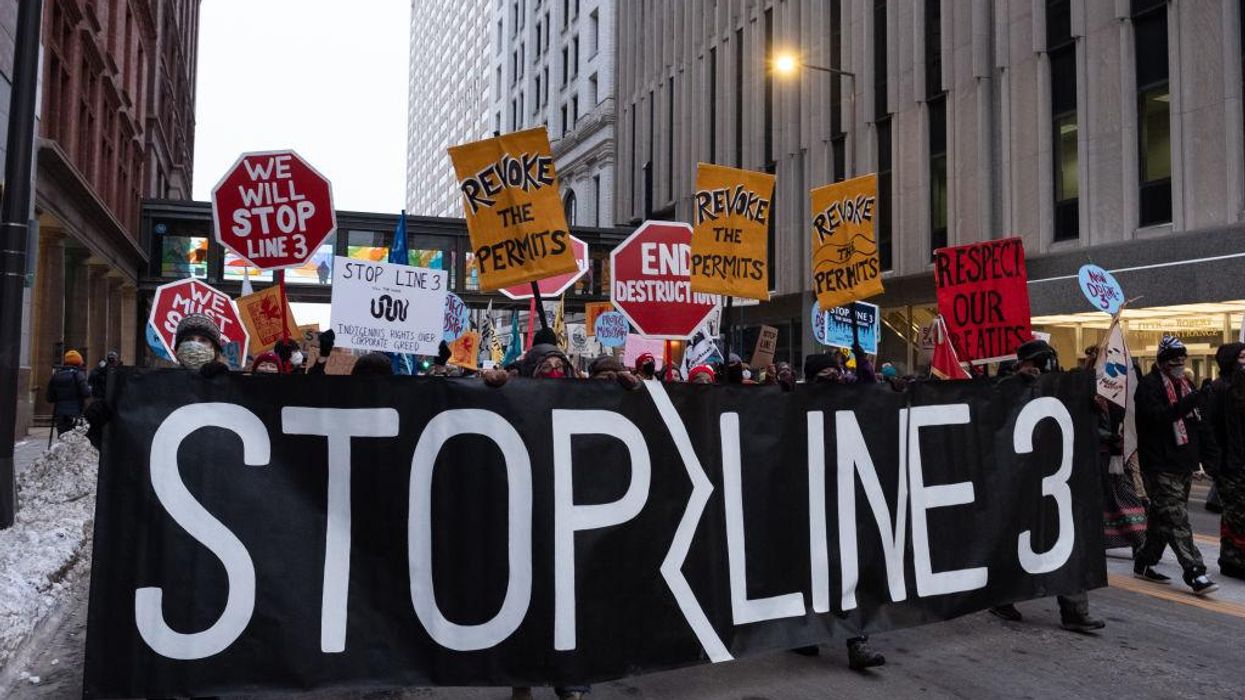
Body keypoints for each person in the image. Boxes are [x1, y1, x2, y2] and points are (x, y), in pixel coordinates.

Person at [988, 339, 1107, 631]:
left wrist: (1094, 407)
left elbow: (1084, 425)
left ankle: (1075, 610)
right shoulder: (1009, 384)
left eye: (1045, 362)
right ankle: (1001, 597)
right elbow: (992, 413)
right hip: (1022, 480)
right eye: (1035, 363)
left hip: (1058, 481)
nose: (1040, 369)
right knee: (1021, 541)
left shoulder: (1066, 388)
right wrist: (1018, 383)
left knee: (1068, 543)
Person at [790, 349, 886, 671]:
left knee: (849, 571)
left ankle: (856, 641)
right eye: (824, 377)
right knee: (811, 570)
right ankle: (804, 631)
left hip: (846, 496)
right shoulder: (796, 404)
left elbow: (875, 402)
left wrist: (868, 370)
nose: (833, 381)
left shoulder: (850, 399)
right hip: (808, 500)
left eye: (836, 375)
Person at [1133, 335, 1220, 595]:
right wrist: (1190, 402)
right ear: (1162, 362)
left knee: (1163, 519)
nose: (1180, 364)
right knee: (1177, 519)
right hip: (1159, 465)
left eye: (1183, 359)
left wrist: (1209, 458)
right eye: (1174, 360)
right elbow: (1157, 418)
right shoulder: (1149, 387)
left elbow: (1199, 424)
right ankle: (1195, 571)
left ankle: (1145, 561)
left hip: (1182, 464)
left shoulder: (1186, 386)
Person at [1208, 342, 1245, 580]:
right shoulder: (1218, 389)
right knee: (1236, 513)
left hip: (1240, 459)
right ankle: (1234, 560)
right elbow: (1210, 429)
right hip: (1229, 464)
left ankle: (1233, 558)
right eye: (1241, 357)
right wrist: (1215, 462)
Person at [47, 350, 91, 436]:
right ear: (78, 362)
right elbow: (86, 393)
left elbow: (50, 397)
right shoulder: (78, 375)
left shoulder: (57, 375)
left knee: (62, 437)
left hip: (60, 414)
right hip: (75, 413)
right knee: (75, 439)